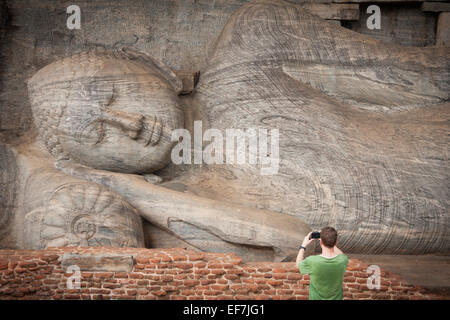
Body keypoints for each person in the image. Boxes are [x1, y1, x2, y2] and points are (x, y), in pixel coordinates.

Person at [296, 227, 348, 300]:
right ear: (336, 242)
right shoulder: (343, 260)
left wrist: (303, 246)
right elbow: (341, 254)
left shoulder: (312, 261)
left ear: (320, 243)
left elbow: (298, 265)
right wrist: (331, 242)